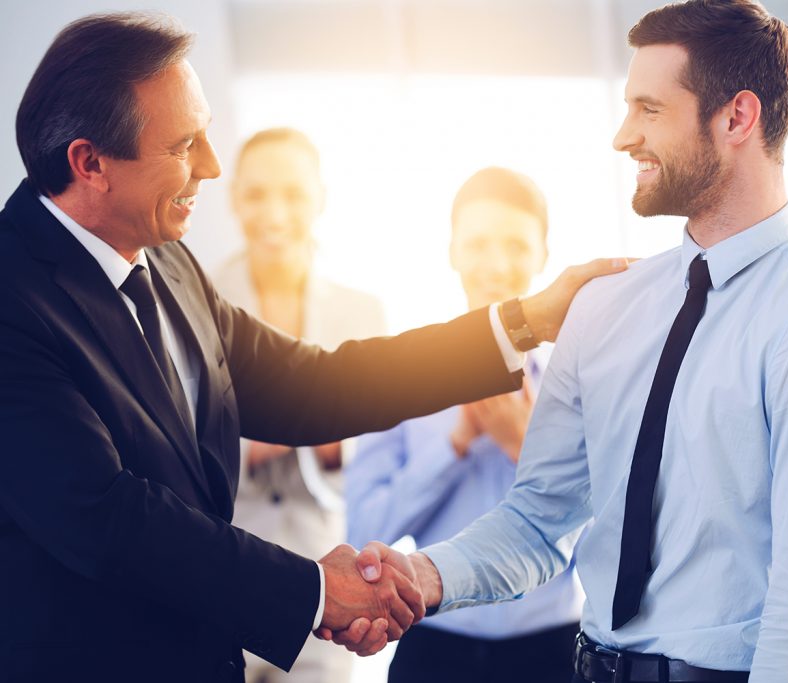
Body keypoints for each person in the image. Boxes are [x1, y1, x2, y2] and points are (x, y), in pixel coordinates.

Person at [0, 12, 625, 683]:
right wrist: (318, 590)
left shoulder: (169, 260)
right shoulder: (13, 301)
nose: (211, 167)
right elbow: (113, 520)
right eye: (185, 146)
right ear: (89, 162)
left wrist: (526, 319)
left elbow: (317, 383)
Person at [344, 1, 788, 679]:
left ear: (737, 118)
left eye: (648, 109)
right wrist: (421, 573)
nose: (622, 136)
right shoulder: (604, 307)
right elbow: (540, 521)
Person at [347, 167, 584, 683]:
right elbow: (364, 532)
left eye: (516, 246)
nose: (496, 265)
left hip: (554, 653)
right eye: (477, 244)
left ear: (543, 255)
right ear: (452, 251)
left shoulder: (585, 382)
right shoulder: (400, 378)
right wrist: (455, 443)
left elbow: (614, 545)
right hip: (434, 649)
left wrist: (525, 445)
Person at [213, 127, 387, 683]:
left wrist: (312, 436)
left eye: (292, 194)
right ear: (234, 197)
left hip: (325, 573)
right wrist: (298, 424)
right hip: (223, 565)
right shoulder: (198, 302)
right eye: (257, 194)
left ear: (321, 199)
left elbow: (380, 448)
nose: (274, 212)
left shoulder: (362, 313)